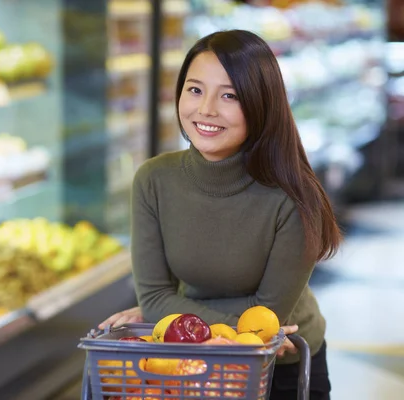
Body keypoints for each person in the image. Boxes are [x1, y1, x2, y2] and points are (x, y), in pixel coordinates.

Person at [99, 30, 342, 400]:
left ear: (261, 104)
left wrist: (171, 315)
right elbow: (156, 298)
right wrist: (162, 311)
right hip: (187, 360)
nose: (206, 109)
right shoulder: (154, 179)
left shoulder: (293, 195)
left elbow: (265, 319)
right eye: (195, 90)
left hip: (282, 368)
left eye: (229, 95)